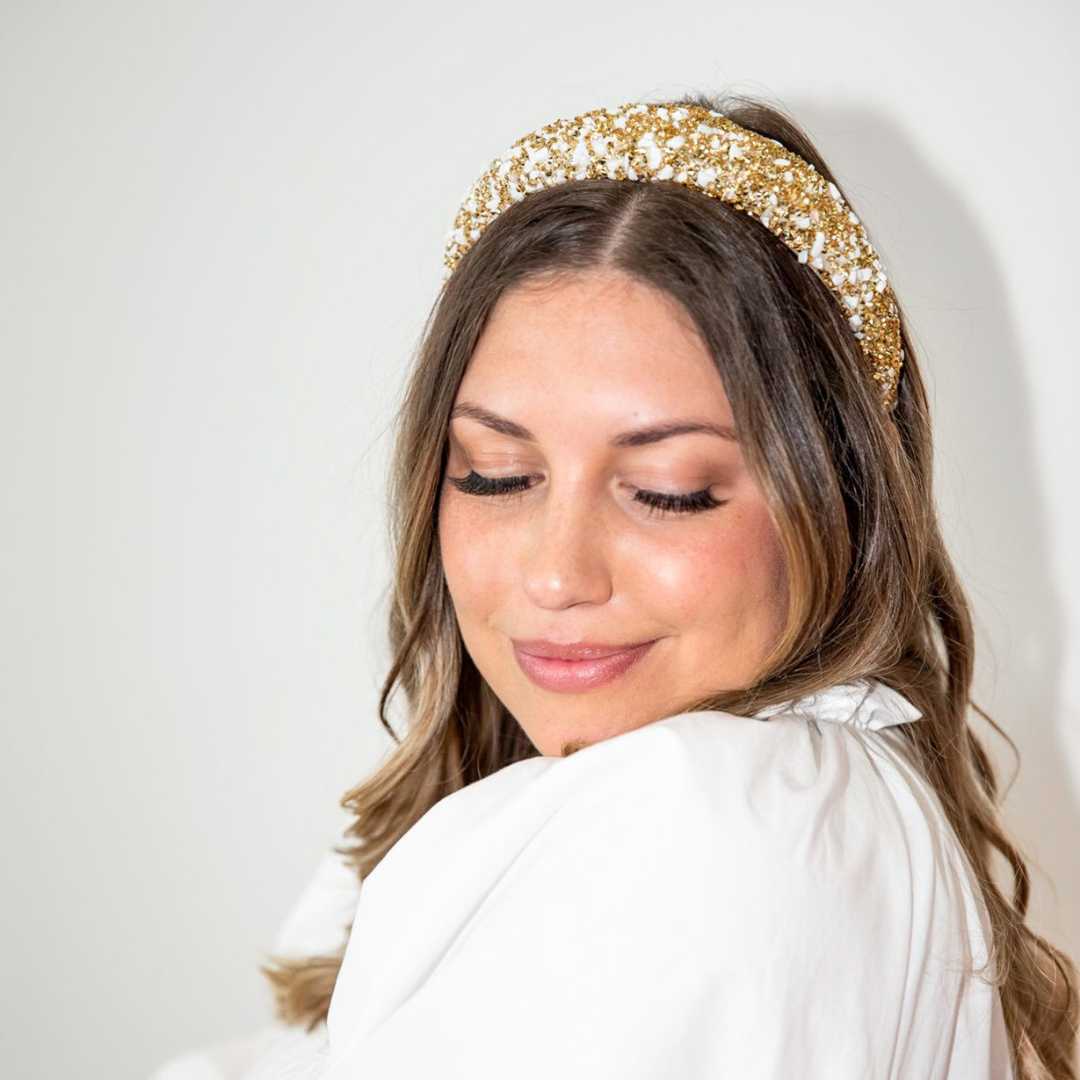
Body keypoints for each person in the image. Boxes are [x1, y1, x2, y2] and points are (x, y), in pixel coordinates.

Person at [152, 92, 1078, 1079]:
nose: (557, 574)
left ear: (841, 500)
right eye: (496, 475)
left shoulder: (709, 817)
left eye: (666, 491)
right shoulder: (788, 812)